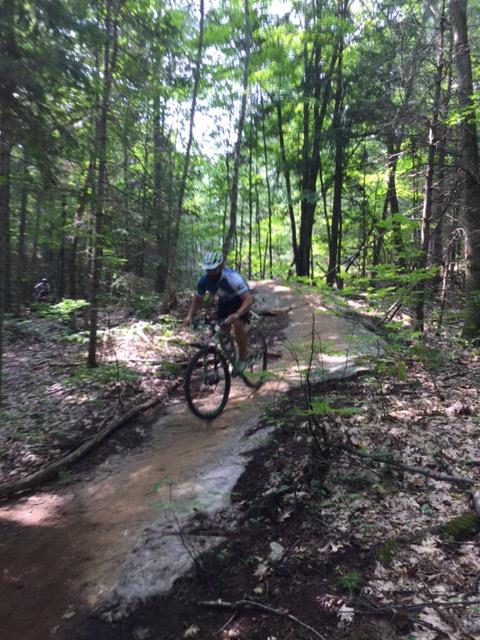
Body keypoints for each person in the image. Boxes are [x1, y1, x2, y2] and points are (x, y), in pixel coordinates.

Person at [186, 251, 254, 370]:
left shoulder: (232, 277)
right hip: (224, 302)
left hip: (240, 300)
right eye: (208, 270)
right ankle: (231, 357)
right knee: (223, 330)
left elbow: (249, 299)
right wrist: (189, 316)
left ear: (220, 267)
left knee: (237, 324)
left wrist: (237, 314)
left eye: (213, 269)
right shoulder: (203, 281)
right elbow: (197, 299)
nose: (210, 273)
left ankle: (244, 358)